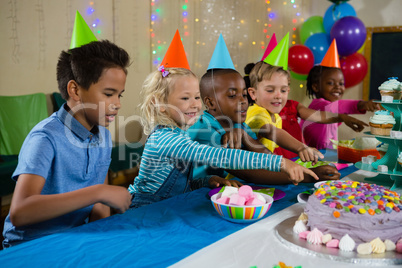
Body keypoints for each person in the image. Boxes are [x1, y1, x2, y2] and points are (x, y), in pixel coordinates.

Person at [128, 67, 320, 208]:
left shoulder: (180, 133)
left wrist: (205, 181)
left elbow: (179, 184)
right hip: (145, 207)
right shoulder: (166, 139)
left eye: (196, 97)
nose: (195, 104)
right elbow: (222, 157)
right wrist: (280, 163)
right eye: (185, 99)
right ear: (160, 104)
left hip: (170, 203)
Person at [2, 40, 132, 248]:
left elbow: (100, 205)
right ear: (75, 90)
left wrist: (99, 241)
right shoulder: (45, 139)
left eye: (119, 94)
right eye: (108, 94)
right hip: (32, 246)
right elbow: (20, 212)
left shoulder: (104, 137)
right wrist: (98, 192)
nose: (117, 104)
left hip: (75, 240)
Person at [189, 68, 340, 184]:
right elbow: (247, 172)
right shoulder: (206, 130)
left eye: (244, 95)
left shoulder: (237, 123)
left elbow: (265, 157)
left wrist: (245, 136)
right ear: (210, 103)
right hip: (192, 196)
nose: (243, 101)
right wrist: (307, 175)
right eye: (232, 95)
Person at [247, 61, 370, 158]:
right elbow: (272, 132)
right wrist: (301, 147)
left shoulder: (277, 114)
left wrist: (341, 117)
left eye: (283, 90)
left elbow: (317, 116)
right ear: (253, 93)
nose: (278, 95)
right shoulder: (256, 113)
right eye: (270, 90)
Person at [300, 65, 380, 150]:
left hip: (328, 155)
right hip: (312, 157)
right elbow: (341, 105)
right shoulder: (318, 105)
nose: (338, 87)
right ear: (316, 87)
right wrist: (362, 104)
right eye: (330, 83)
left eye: (341, 83)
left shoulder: (334, 111)